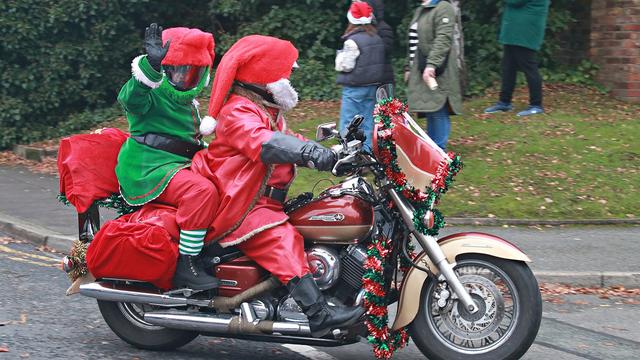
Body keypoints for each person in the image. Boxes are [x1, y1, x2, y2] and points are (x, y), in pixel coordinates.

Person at [193, 35, 365, 338]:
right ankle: (318, 314)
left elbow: (291, 142)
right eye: (286, 72)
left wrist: (333, 155)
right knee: (281, 238)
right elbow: (265, 143)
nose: (290, 78)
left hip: (260, 200)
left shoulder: (265, 110)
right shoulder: (237, 111)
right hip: (241, 204)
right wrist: (313, 154)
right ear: (263, 74)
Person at [115, 24, 220, 290]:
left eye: (192, 72)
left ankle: (217, 251)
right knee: (201, 191)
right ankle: (188, 263)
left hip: (179, 164)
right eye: (176, 71)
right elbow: (130, 99)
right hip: (149, 167)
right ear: (165, 69)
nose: (184, 79)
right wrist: (149, 68)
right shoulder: (152, 91)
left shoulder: (189, 103)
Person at [405, 0, 463, 151]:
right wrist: (408, 67)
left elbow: (443, 39)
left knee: (438, 107)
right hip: (420, 67)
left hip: (438, 68)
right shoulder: (422, 9)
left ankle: (438, 150)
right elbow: (414, 42)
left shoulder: (444, 8)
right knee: (430, 108)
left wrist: (432, 65)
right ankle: (433, 150)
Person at [336, 2, 388, 151]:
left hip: (354, 87)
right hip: (372, 86)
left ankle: (347, 154)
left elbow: (344, 65)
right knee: (367, 122)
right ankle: (366, 153)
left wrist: (339, 57)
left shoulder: (352, 41)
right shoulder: (377, 38)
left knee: (348, 122)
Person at [484, 0, 550, 117]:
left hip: (524, 30)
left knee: (529, 67)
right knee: (508, 66)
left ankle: (536, 105)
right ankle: (504, 102)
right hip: (516, 30)